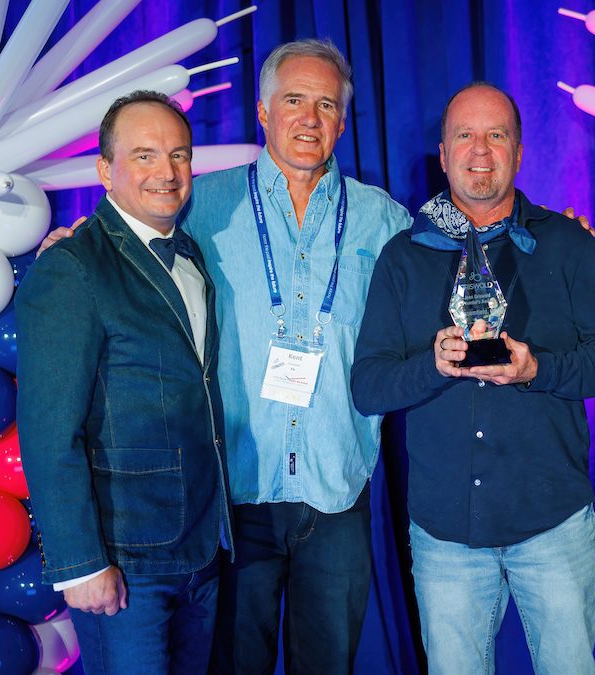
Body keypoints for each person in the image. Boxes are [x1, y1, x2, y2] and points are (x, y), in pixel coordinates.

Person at [350, 82, 595, 674]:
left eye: (497, 135)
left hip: (552, 526)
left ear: (520, 151)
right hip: (445, 535)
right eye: (465, 135)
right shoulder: (404, 256)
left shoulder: (566, 243)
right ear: (442, 152)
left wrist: (538, 369)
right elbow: (369, 386)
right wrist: (431, 367)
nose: (480, 150)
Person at [179, 40, 412, 674]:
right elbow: (128, 242)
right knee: (232, 663)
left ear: (342, 121)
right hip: (239, 491)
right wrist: (75, 241)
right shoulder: (203, 206)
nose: (310, 118)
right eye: (295, 100)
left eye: (327, 105)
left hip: (336, 486)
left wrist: (542, 232)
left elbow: (458, 273)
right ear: (263, 110)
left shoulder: (382, 218)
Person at [16, 91, 232, 673]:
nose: (166, 172)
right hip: (124, 561)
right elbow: (47, 431)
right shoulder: (73, 267)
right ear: (105, 170)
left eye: (179, 155)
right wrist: (81, 564)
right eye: (144, 155)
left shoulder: (190, 257)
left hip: (200, 549)